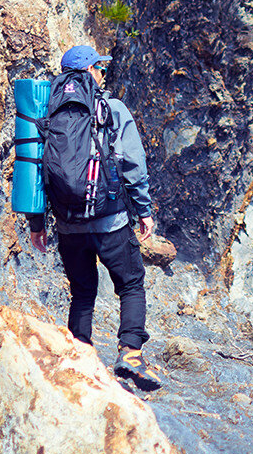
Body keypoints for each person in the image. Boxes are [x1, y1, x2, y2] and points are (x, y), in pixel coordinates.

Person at [25, 45, 163, 391]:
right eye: (100, 68)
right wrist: (143, 210)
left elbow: (34, 171)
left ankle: (80, 358)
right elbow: (132, 164)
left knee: (82, 293)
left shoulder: (47, 112)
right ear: (90, 71)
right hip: (111, 220)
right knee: (130, 284)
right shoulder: (111, 109)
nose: (103, 73)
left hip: (68, 224)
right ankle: (130, 354)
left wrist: (37, 224)